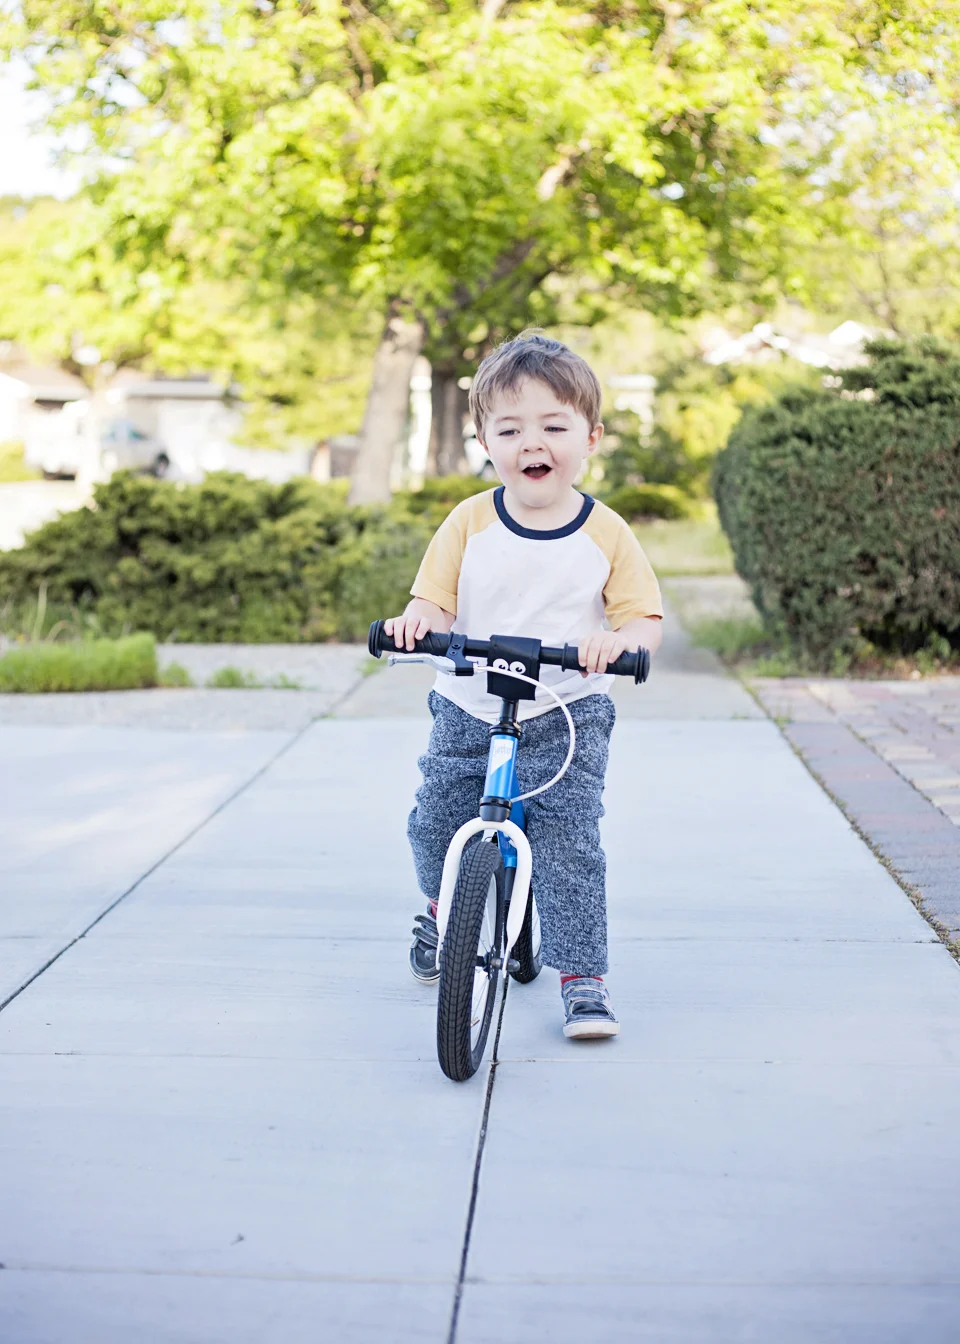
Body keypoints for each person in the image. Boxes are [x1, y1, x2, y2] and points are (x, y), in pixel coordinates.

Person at [385, 332, 663, 1039]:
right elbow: (434, 600)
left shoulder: (606, 533)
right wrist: (419, 624)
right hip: (468, 702)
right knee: (435, 819)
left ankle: (582, 977)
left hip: (566, 710)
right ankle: (446, 908)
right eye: (509, 429)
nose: (530, 443)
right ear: (484, 440)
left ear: (590, 437)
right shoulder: (469, 522)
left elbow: (641, 619)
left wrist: (618, 645)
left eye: (552, 426)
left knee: (570, 844)